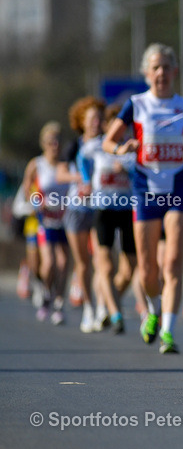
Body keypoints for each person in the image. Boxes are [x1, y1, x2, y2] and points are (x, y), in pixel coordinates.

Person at [103, 43, 183, 354]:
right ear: (147, 73)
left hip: (178, 188)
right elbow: (109, 141)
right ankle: (152, 310)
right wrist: (121, 149)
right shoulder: (135, 105)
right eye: (155, 67)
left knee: (173, 262)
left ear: (174, 71)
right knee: (147, 269)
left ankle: (168, 332)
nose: (161, 72)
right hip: (144, 189)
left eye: (166, 67)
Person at [79, 103, 138, 334]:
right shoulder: (96, 146)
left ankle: (106, 302)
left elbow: (141, 172)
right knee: (105, 265)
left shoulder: (131, 148)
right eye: (112, 123)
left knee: (129, 269)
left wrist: (125, 171)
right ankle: (115, 314)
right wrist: (85, 181)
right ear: (106, 126)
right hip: (102, 210)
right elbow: (81, 160)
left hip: (126, 211)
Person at [60, 96, 106, 332]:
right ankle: (88, 307)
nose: (96, 123)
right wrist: (79, 179)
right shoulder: (74, 146)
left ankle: (102, 308)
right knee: (83, 263)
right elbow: (60, 174)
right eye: (91, 119)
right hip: (77, 208)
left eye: (99, 118)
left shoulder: (108, 142)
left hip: (100, 207)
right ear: (82, 121)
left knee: (102, 260)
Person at [20, 122, 70, 324]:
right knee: (48, 263)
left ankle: (58, 302)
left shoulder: (65, 165)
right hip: (44, 220)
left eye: (57, 141)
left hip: (64, 219)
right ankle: (46, 294)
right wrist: (37, 203)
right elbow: (26, 189)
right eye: (50, 141)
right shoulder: (36, 164)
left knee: (64, 263)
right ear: (43, 143)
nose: (54, 145)